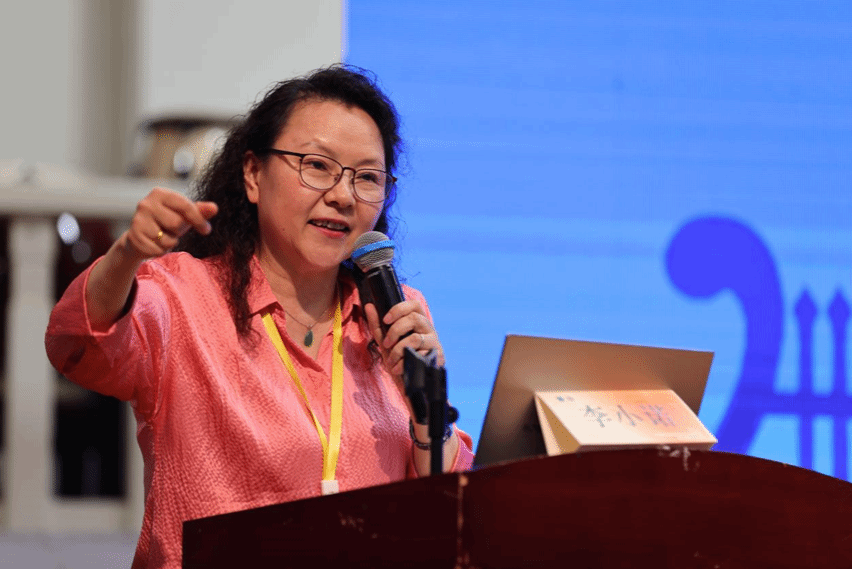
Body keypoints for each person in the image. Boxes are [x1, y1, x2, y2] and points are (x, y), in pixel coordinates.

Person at [45, 65, 473, 569]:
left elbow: (451, 510)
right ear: (253, 175)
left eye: (366, 178)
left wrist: (425, 404)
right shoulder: (183, 297)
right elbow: (79, 345)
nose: (342, 195)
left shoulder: (395, 314)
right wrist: (126, 255)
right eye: (318, 166)